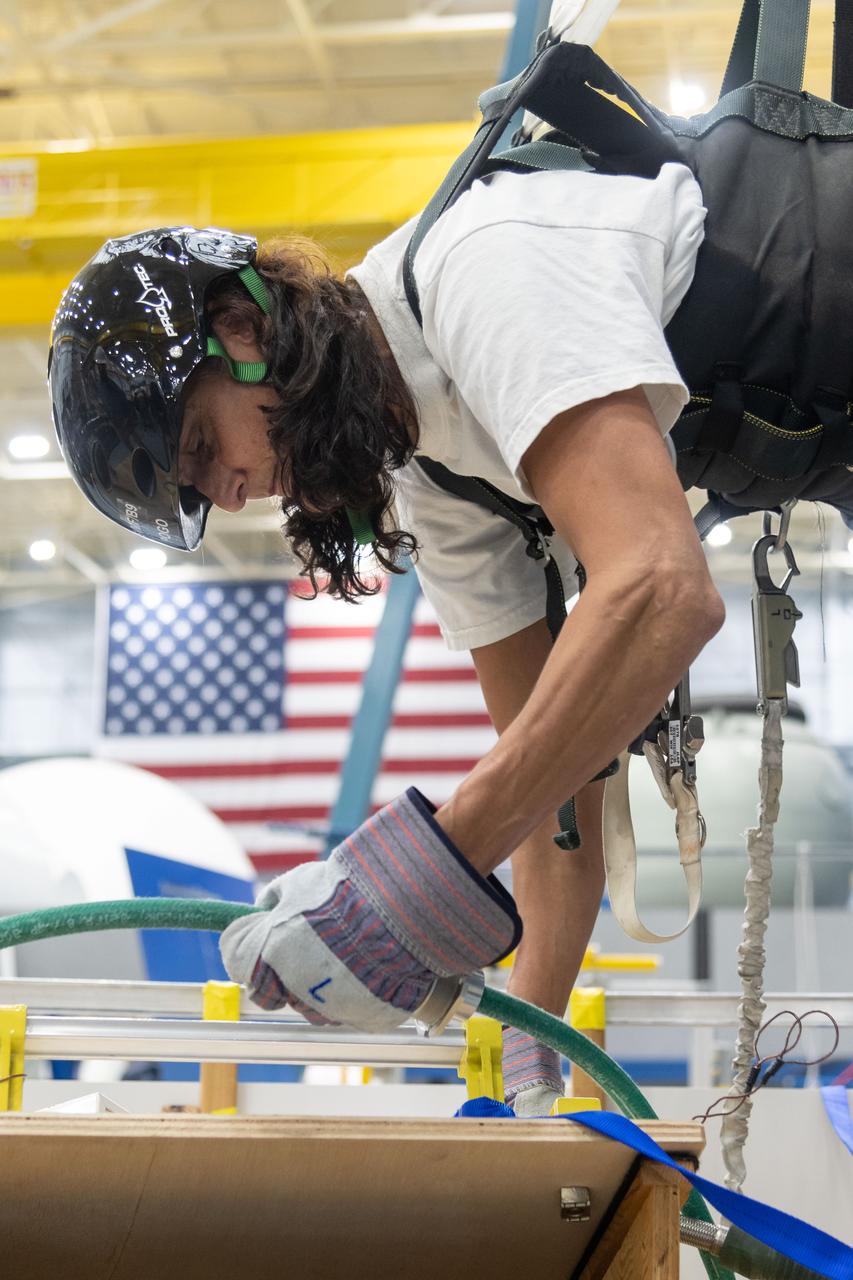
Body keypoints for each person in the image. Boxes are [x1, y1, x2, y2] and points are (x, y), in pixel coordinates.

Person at [49, 156, 724, 1114]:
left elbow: (662, 587)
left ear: (240, 328)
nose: (230, 491)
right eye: (201, 491)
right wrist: (517, 1049)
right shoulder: (434, 481)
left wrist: (407, 887)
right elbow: (556, 786)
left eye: (202, 445)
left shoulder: (482, 272)